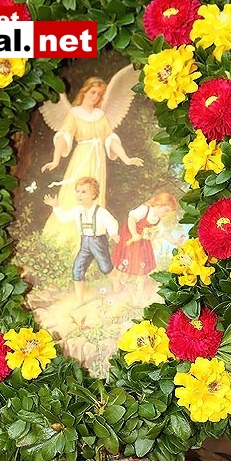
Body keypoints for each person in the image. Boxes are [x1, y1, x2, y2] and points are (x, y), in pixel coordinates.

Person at [39, 69, 144, 248]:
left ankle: (89, 242)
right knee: (73, 193)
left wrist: (126, 158)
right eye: (93, 92)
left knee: (94, 196)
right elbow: (64, 136)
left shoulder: (101, 116)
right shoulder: (74, 114)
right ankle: (61, 241)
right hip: (81, 158)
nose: (96, 97)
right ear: (85, 91)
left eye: (99, 94)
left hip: (98, 160)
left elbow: (110, 139)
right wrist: (55, 160)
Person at [43, 177, 121, 305]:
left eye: (83, 192)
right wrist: (56, 206)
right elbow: (64, 217)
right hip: (85, 242)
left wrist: (113, 233)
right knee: (77, 269)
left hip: (98, 242)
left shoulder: (100, 211)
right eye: (78, 191)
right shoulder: (77, 211)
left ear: (93, 195)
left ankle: (116, 280)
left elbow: (111, 222)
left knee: (105, 267)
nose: (79, 195)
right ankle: (80, 299)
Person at [112, 192, 182, 287]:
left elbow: (163, 231)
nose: (166, 214)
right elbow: (131, 218)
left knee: (141, 260)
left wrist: (174, 241)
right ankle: (121, 279)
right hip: (131, 236)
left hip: (142, 240)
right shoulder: (145, 209)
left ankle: (132, 283)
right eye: (166, 210)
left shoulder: (157, 219)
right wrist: (134, 233)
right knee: (129, 257)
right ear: (159, 204)